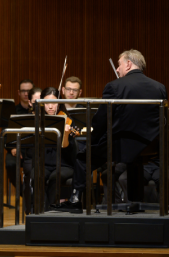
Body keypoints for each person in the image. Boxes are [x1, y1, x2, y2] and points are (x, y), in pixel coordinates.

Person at [53, 49, 167, 213]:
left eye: (119, 65)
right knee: (136, 160)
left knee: (83, 157)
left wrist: (92, 139)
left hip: (121, 145)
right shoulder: (160, 87)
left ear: (128, 64)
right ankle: (135, 201)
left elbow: (101, 120)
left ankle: (75, 200)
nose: (118, 69)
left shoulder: (114, 86)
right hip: (149, 146)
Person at [23, 87, 75, 213]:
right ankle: (41, 211)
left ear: (59, 103)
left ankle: (50, 212)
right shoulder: (37, 121)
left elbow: (69, 152)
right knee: (37, 176)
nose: (51, 107)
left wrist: (66, 135)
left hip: (64, 164)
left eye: (54, 102)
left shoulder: (67, 120)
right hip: (44, 163)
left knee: (55, 177)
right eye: (47, 103)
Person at [5, 80, 34, 197]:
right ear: (18, 92)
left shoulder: (38, 110)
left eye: (29, 91)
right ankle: (24, 192)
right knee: (11, 164)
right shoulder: (12, 110)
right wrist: (12, 147)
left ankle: (34, 192)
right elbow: (5, 133)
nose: (26, 93)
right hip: (17, 148)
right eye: (23, 91)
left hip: (33, 149)